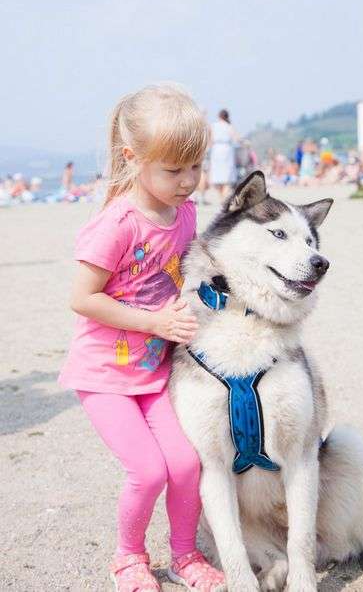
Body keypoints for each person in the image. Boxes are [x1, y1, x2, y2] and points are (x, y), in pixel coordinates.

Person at [58, 84, 225, 592]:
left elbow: (190, 276)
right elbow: (83, 298)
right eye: (173, 170)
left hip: (155, 373)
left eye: (195, 167)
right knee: (149, 471)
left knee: (186, 463)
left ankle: (184, 556)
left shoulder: (187, 215)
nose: (188, 182)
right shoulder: (117, 224)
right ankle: (128, 558)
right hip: (104, 375)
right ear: (133, 158)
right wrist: (154, 322)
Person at [209, 109, 238, 200]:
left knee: (217, 175)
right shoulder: (229, 126)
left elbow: (210, 139)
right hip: (227, 149)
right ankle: (224, 199)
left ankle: (222, 198)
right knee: (227, 177)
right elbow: (236, 138)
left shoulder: (213, 126)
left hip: (216, 150)